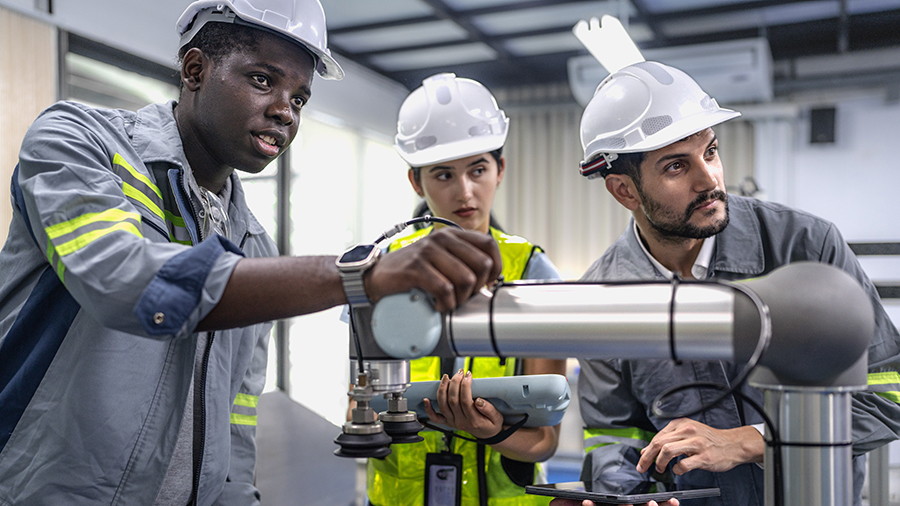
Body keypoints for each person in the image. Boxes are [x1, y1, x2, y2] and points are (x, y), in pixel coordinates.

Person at [0, 2, 502, 504]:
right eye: (263, 80)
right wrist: (361, 276)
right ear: (195, 70)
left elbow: (236, 415)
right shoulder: (75, 142)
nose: (285, 110)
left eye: (300, 99)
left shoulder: (254, 243)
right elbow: (130, 284)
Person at [552, 61, 900, 506]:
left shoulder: (806, 248)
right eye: (677, 167)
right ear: (625, 191)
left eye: (711, 151)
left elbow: (887, 393)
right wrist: (623, 498)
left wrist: (750, 441)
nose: (710, 179)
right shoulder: (603, 296)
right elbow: (613, 436)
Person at [363, 73, 568, 506]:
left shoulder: (533, 270)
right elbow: (357, 411)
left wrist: (492, 432)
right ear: (416, 182)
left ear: (500, 170)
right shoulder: (379, 270)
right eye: (443, 175)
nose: (465, 192)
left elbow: (546, 440)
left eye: (478, 169)